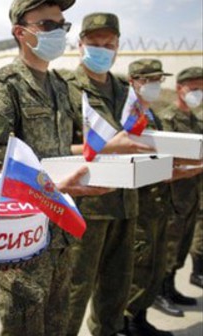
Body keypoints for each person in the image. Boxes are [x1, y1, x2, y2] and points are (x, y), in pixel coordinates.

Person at [0, 1, 117, 335]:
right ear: (20, 32)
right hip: (23, 241)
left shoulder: (60, 87)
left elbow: (62, 148)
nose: (58, 33)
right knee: (23, 326)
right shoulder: (3, 87)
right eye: (47, 25)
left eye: (62, 25)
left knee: (58, 324)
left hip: (61, 234)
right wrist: (53, 186)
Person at [59, 13, 154, 336]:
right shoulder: (66, 89)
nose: (101, 49)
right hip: (86, 208)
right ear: (80, 44)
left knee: (117, 288)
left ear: (117, 47)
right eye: (94, 43)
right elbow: (56, 147)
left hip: (126, 203)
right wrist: (107, 147)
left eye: (108, 44)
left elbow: (142, 137)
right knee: (74, 291)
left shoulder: (126, 92)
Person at [122, 58, 178, 336]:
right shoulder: (128, 113)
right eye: (150, 80)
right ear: (135, 81)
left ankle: (140, 318)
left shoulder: (149, 113)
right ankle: (129, 321)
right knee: (138, 264)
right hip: (139, 201)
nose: (155, 85)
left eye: (159, 80)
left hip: (157, 198)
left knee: (153, 263)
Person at [154, 66, 203, 315]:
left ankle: (171, 288)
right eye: (193, 88)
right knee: (169, 247)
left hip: (191, 195)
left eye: (201, 88)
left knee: (182, 245)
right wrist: (196, 165)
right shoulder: (167, 118)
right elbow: (165, 161)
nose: (198, 93)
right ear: (180, 88)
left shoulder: (195, 121)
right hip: (172, 197)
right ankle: (159, 293)